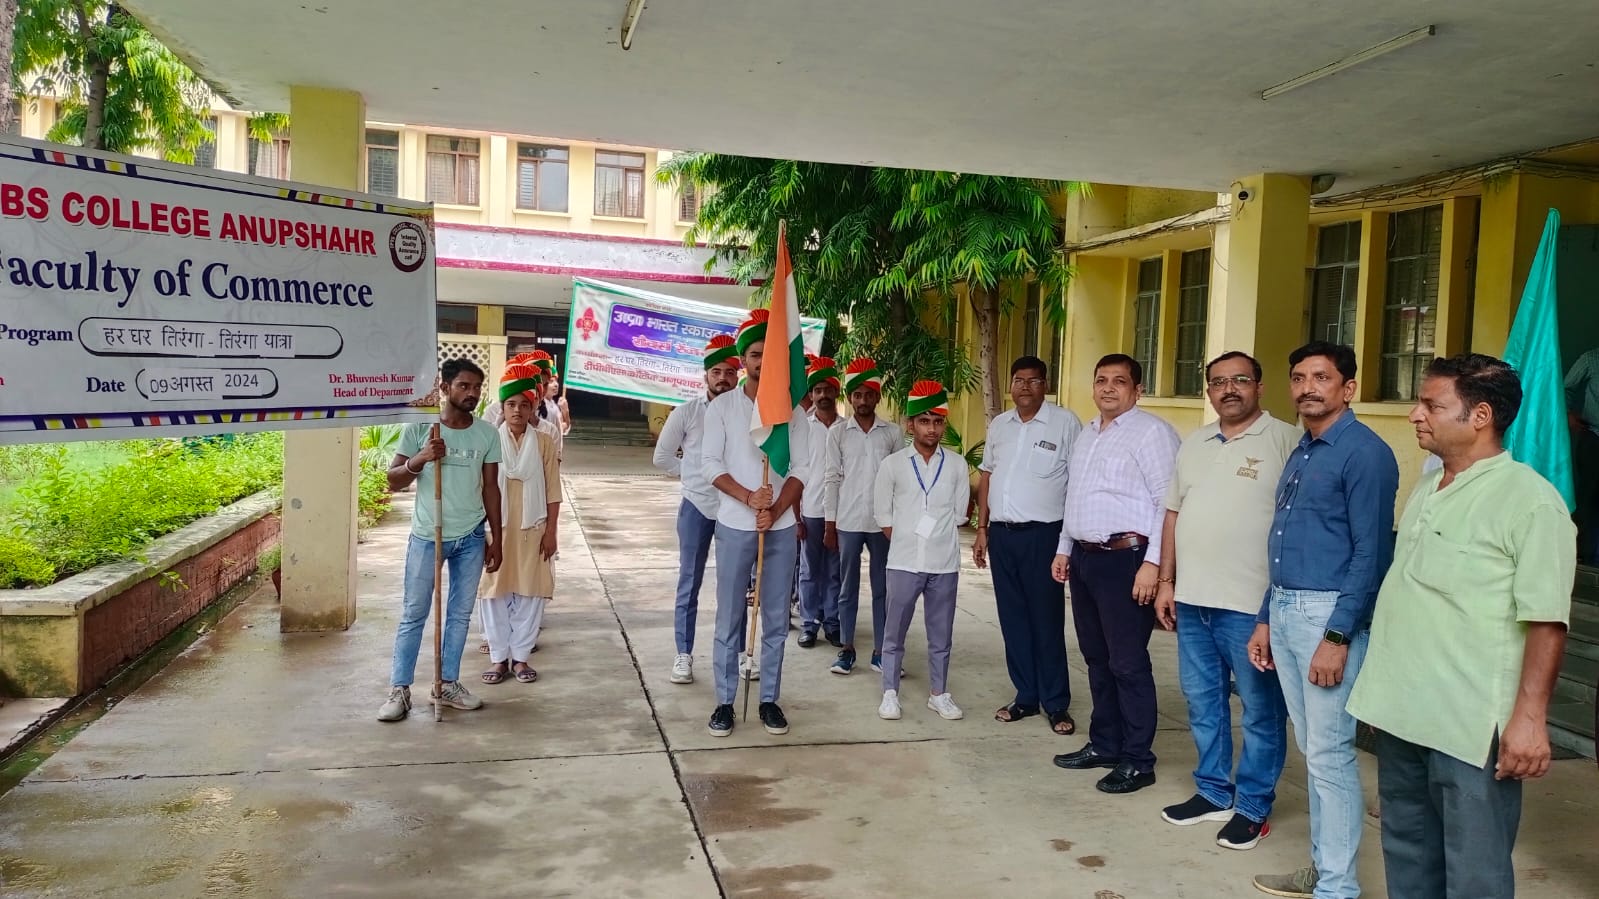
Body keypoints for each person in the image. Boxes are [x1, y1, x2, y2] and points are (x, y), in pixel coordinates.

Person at [1348, 353, 1575, 898]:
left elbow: (1546, 622)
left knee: (1475, 875)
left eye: (1432, 405)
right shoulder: (1429, 487)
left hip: (1469, 727)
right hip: (1403, 716)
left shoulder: (1531, 502)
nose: (1415, 414)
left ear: (1480, 416)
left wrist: (1529, 721)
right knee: (1407, 857)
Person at [1247, 341, 1398, 899]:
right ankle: (1323, 870)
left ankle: (1338, 888)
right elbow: (1285, 541)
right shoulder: (1305, 449)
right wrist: (1266, 616)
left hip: (1327, 615)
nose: (1307, 387)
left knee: (1330, 755)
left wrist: (1338, 634)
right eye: (1299, 377)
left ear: (1348, 388)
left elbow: (1371, 555)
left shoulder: (1365, 453)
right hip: (1287, 608)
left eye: (1321, 377)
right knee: (1314, 753)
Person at [1154, 351, 1296, 848]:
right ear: (1209, 391)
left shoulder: (1286, 441)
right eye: (1218, 382)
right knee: (1203, 702)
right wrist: (1167, 580)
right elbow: (1173, 513)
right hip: (1193, 600)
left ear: (1259, 385)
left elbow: (1297, 524)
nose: (1228, 389)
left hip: (1251, 607)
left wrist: (1275, 606)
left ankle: (1253, 806)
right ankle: (1213, 792)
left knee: (1261, 710)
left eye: (1239, 379)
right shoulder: (1194, 443)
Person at [1051, 353, 1179, 795]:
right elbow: (1075, 495)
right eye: (1101, 379)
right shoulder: (1087, 433)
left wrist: (1153, 566)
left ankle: (1138, 760)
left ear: (1137, 390)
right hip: (1086, 560)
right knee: (1096, 658)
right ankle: (1105, 744)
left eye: (1119, 381)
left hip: (1128, 559)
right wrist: (1064, 548)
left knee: (1127, 662)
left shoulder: (1152, 433)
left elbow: (1168, 504)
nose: (1108, 388)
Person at [700, 309, 811, 737]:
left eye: (770, 354)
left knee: (776, 619)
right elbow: (711, 464)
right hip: (734, 524)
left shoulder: (791, 412)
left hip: (778, 529)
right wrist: (749, 498)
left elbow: (801, 469)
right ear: (743, 360)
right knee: (730, 616)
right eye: (755, 354)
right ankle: (725, 701)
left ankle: (769, 700)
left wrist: (776, 509)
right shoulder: (723, 408)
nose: (763, 362)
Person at [378, 358, 503, 722]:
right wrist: (421, 458)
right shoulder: (421, 428)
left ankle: (446, 684)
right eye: (464, 386)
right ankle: (400, 690)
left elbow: (491, 489)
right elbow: (393, 480)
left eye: (476, 387)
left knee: (460, 615)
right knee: (414, 613)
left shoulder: (487, 434)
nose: (472, 393)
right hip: (427, 535)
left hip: (471, 536)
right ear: (446, 388)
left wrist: (496, 537)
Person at [974, 355, 1082, 735]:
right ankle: (1026, 695)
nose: (1024, 387)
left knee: (1046, 619)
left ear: (1045, 385)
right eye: (1018, 380)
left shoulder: (1065, 423)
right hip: (1002, 535)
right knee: (1013, 619)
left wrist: (1067, 544)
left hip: (1044, 536)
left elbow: (1078, 481)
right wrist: (982, 528)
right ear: (1011, 385)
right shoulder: (1000, 425)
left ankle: (1056, 702)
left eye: (1033, 380)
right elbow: (987, 476)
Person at [874, 381, 971, 722]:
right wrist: (909, 538)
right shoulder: (893, 465)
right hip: (903, 562)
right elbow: (883, 516)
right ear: (909, 424)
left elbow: (959, 514)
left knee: (941, 635)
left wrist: (933, 537)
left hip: (944, 564)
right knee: (894, 632)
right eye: (924, 421)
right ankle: (890, 692)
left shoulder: (957, 465)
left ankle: (938, 694)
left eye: (938, 421)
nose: (932, 428)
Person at [653, 334, 742, 685]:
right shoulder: (687, 413)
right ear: (705, 375)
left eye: (729, 372)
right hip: (696, 506)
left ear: (737, 376)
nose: (723, 378)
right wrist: (691, 474)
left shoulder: (746, 413)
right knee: (690, 581)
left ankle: (737, 653)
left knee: (734, 583)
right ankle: (684, 654)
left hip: (735, 508)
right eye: (716, 372)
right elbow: (662, 457)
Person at [478, 365, 562, 686]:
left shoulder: (544, 442)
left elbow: (553, 490)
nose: (517, 411)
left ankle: (521, 657)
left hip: (533, 527)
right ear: (502, 407)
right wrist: (481, 533)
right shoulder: (488, 440)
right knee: (494, 592)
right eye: (511, 404)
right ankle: (499, 658)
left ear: (533, 407)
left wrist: (551, 532)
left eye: (524, 405)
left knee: (531, 591)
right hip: (495, 528)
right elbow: (478, 487)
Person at [824, 357, 903, 675]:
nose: (863, 400)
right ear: (849, 397)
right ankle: (846, 649)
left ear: (878, 397)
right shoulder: (838, 433)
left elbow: (900, 482)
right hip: (848, 520)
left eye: (869, 394)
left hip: (882, 523)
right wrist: (830, 523)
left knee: (883, 588)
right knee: (847, 588)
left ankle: (881, 651)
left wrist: (897, 522)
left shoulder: (892, 433)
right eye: (857, 394)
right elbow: (832, 478)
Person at [797, 356, 843, 648]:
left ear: (836, 392)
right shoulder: (802, 427)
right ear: (811, 394)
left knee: (835, 571)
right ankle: (809, 623)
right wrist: (796, 518)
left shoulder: (848, 428)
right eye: (817, 390)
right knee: (810, 570)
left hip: (840, 513)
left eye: (828, 389)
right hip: (811, 510)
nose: (823, 395)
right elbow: (793, 473)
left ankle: (833, 623)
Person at [1563, 346, 1599, 562]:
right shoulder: (1592, 358)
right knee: (1588, 497)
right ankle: (1582, 559)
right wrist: (1568, 414)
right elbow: (1565, 388)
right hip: (1594, 438)